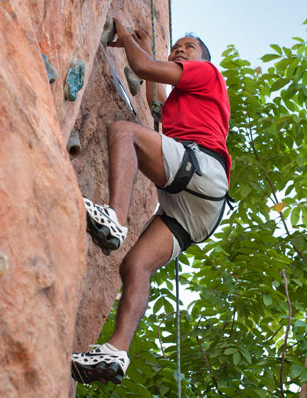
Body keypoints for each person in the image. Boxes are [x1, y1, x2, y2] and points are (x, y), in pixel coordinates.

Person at [72, 17, 232, 386]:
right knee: (135, 266)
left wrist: (126, 38)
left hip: (202, 170)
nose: (179, 49)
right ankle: (116, 351)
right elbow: (157, 104)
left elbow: (143, 67)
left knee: (124, 132)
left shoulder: (206, 73)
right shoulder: (188, 105)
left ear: (202, 60)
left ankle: (115, 215)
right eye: (176, 46)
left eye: (187, 47)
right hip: (200, 209)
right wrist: (143, 51)